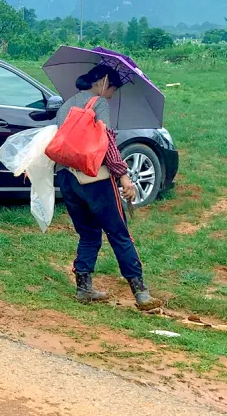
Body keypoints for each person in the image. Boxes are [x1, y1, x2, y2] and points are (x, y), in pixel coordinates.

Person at [55, 63, 161, 311]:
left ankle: (84, 288)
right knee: (119, 233)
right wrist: (124, 176)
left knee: (89, 233)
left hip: (68, 180)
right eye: (113, 89)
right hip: (96, 181)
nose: (112, 95)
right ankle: (141, 293)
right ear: (103, 82)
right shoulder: (99, 103)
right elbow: (107, 142)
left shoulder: (67, 103)